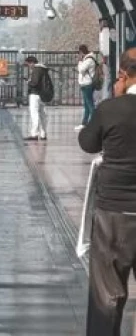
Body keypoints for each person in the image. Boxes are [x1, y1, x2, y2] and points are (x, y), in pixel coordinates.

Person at [79, 48, 136, 336]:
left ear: (123, 76)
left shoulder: (111, 109)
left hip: (114, 216)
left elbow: (88, 143)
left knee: (106, 297)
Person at [24, 56, 49, 141]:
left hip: (35, 94)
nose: (28, 66)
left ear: (32, 62)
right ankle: (43, 133)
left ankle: (34, 134)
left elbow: (34, 83)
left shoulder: (36, 70)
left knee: (34, 114)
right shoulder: (43, 69)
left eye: (28, 64)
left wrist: (28, 82)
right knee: (42, 114)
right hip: (42, 94)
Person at [77, 45, 98, 131]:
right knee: (87, 105)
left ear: (82, 52)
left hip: (87, 84)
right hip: (85, 84)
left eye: (79, 53)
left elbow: (81, 70)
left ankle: (94, 123)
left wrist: (79, 61)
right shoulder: (88, 59)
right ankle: (84, 123)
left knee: (90, 104)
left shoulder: (88, 60)